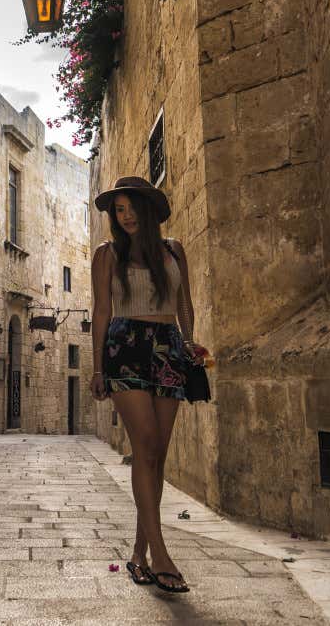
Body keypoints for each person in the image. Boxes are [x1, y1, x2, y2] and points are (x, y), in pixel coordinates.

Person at [90, 175, 211, 594]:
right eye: (117, 210)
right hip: (125, 347)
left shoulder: (173, 250)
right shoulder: (107, 255)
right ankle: (161, 555)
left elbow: (184, 305)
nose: (124, 217)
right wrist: (97, 367)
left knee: (157, 453)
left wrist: (191, 345)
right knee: (144, 446)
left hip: (169, 348)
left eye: (130, 208)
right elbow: (102, 310)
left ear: (147, 211)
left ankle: (139, 553)